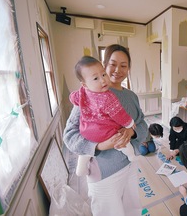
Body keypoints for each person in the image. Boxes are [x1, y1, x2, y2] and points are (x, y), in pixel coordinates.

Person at [63, 44, 148, 216]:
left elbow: (142, 124)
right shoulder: (89, 96)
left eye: (124, 66)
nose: (118, 70)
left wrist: (131, 132)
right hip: (104, 174)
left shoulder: (131, 96)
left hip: (129, 166)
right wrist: (99, 146)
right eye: (113, 64)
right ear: (104, 64)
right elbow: (69, 136)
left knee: (133, 210)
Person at [69, 56, 136, 176]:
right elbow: (120, 115)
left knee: (84, 154)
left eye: (103, 75)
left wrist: (131, 132)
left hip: (87, 132)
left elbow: (73, 97)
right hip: (106, 137)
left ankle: (81, 166)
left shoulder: (82, 92)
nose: (103, 80)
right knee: (122, 143)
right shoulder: (107, 96)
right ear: (84, 84)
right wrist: (130, 124)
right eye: (95, 78)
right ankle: (131, 155)